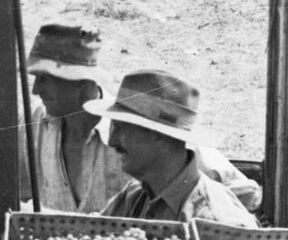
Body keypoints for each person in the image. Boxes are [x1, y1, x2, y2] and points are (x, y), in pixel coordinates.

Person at [0, 23, 263, 214]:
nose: (36, 89)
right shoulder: (35, 123)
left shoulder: (142, 126)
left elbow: (244, 194)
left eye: (46, 79)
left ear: (82, 83)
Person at [93, 69, 259, 228]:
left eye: (122, 128)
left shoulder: (218, 222)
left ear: (158, 134)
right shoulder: (135, 196)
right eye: (113, 127)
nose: (112, 141)